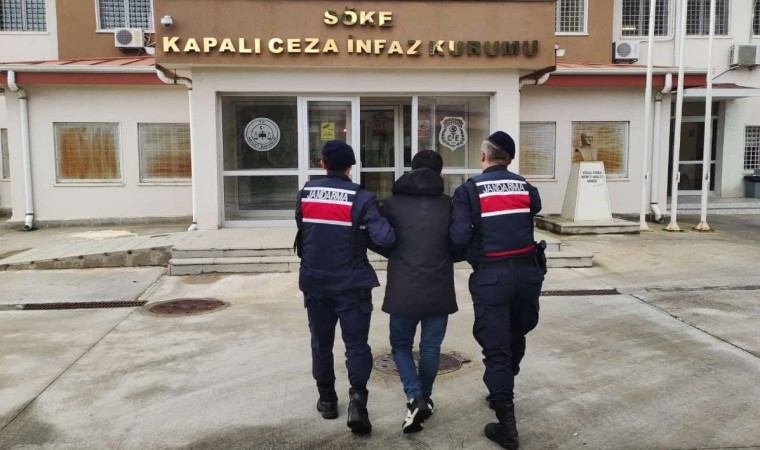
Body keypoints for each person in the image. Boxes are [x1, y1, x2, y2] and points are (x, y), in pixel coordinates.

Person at [450, 131, 544, 450]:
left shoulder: (470, 190)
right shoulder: (525, 187)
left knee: (495, 346)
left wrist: (460, 254)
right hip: (528, 275)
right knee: (517, 332)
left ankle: (507, 424)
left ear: (483, 156)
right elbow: (535, 207)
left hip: (492, 277)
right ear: (510, 159)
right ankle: (504, 383)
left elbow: (458, 237)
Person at [295, 140, 396, 435]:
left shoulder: (306, 193)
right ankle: (358, 404)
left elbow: (304, 228)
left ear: (322, 163)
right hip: (353, 285)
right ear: (351, 167)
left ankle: (327, 400)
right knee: (356, 345)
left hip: (315, 283)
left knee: (321, 342)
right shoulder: (361, 198)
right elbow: (386, 238)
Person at [373, 150, 458, 434]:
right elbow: (459, 240)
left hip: (403, 288)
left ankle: (415, 396)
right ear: (440, 174)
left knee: (401, 345)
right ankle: (424, 398)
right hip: (439, 286)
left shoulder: (392, 204)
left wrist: (397, 254)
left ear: (412, 170)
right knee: (431, 348)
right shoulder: (448, 204)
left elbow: (380, 239)